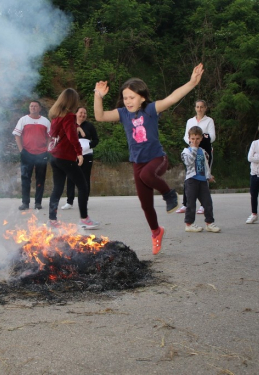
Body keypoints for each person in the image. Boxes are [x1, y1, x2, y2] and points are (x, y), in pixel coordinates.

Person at [94, 63, 205, 254]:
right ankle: (156, 231)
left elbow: (172, 98)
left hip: (157, 159)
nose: (127, 101)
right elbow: (100, 116)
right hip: (137, 162)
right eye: (125, 98)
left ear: (142, 97)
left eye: (132, 97)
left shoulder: (151, 109)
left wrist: (191, 83)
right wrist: (98, 96)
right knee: (145, 204)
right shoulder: (122, 114)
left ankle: (169, 194)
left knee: (147, 174)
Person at [47, 88, 99, 230]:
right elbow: (72, 137)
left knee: (57, 188)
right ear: (72, 101)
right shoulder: (69, 116)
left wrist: (76, 127)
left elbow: (55, 134)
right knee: (83, 186)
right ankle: (84, 219)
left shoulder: (56, 116)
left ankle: (52, 220)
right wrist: (79, 153)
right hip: (65, 157)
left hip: (55, 157)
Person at [176, 100, 216, 214]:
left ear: (205, 108)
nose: (199, 109)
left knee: (204, 176)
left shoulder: (209, 121)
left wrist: (200, 138)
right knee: (189, 176)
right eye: (197, 107)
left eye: (202, 107)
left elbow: (212, 136)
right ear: (195, 108)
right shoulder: (190, 121)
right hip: (192, 150)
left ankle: (204, 205)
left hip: (204, 150)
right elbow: (186, 136)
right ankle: (186, 204)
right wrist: (192, 143)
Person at [12, 100, 50, 210]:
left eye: (35, 106)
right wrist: (21, 150)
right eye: (31, 106)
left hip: (41, 154)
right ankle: (25, 203)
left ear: (39, 108)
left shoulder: (45, 121)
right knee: (25, 179)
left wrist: (47, 150)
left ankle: (38, 203)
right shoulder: (23, 120)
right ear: (29, 108)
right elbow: (17, 135)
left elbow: (50, 137)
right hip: (27, 153)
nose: (33, 108)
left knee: (40, 179)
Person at [181, 126, 220, 233]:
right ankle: (189, 224)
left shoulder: (203, 151)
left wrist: (208, 176)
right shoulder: (186, 152)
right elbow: (189, 162)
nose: (195, 141)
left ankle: (209, 223)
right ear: (189, 138)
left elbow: (206, 165)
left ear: (201, 139)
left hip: (202, 180)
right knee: (191, 204)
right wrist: (193, 148)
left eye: (197, 139)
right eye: (193, 139)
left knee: (207, 203)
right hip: (191, 180)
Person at [61, 107, 99, 210]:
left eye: (85, 113)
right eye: (81, 112)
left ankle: (84, 201)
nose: (83, 115)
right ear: (76, 113)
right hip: (72, 155)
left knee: (85, 178)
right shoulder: (70, 124)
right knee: (71, 178)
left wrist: (89, 145)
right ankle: (69, 202)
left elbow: (96, 140)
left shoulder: (89, 126)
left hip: (87, 155)